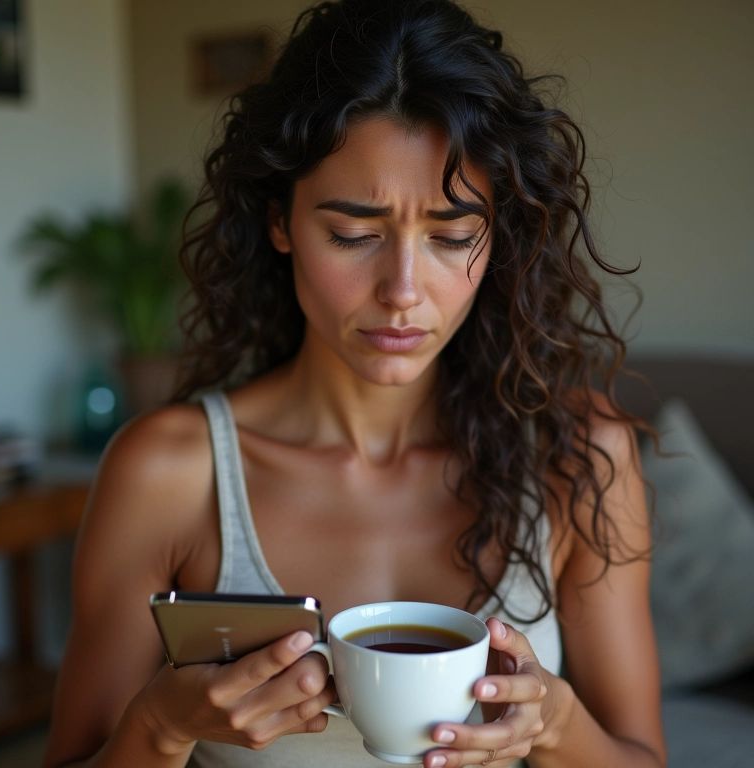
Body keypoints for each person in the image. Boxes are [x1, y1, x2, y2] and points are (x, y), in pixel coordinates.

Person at [42, 1, 665, 766]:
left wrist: (557, 725)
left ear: (498, 237)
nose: (403, 289)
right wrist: (161, 727)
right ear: (280, 221)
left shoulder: (576, 456)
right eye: (353, 234)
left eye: (452, 236)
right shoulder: (168, 474)